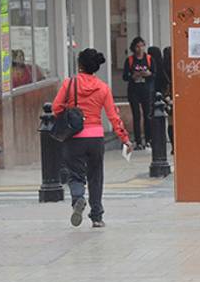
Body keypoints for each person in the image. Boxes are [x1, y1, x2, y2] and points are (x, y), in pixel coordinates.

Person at [53, 48, 132, 229]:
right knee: (96, 176)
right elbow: (113, 116)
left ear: (79, 65)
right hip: (96, 138)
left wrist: (69, 109)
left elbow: (56, 107)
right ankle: (97, 216)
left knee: (75, 175)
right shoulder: (103, 88)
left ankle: (78, 198)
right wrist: (124, 138)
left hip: (75, 137)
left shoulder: (69, 84)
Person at [122, 36, 155, 150]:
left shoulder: (149, 59)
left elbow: (155, 74)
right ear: (134, 48)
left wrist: (148, 74)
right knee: (136, 115)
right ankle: (138, 140)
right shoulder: (130, 60)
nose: (140, 49)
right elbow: (125, 76)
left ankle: (149, 139)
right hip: (134, 90)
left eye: (142, 46)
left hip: (146, 89)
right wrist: (133, 75)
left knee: (147, 115)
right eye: (137, 46)